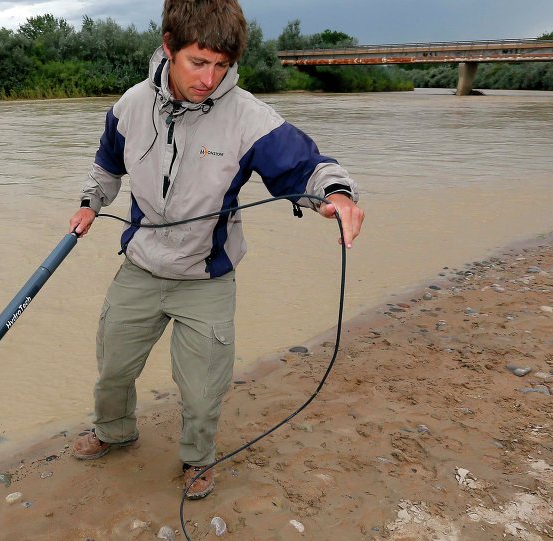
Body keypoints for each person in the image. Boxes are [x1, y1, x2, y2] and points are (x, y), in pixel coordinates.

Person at [67, 0, 364, 500]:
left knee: (203, 391)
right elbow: (106, 165)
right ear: (169, 47)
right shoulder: (130, 105)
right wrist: (90, 204)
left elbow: (304, 166)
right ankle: (113, 432)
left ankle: (197, 458)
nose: (210, 78)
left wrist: (336, 194)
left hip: (207, 278)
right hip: (139, 267)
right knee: (113, 368)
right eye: (198, 63)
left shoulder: (249, 117)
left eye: (222, 66)